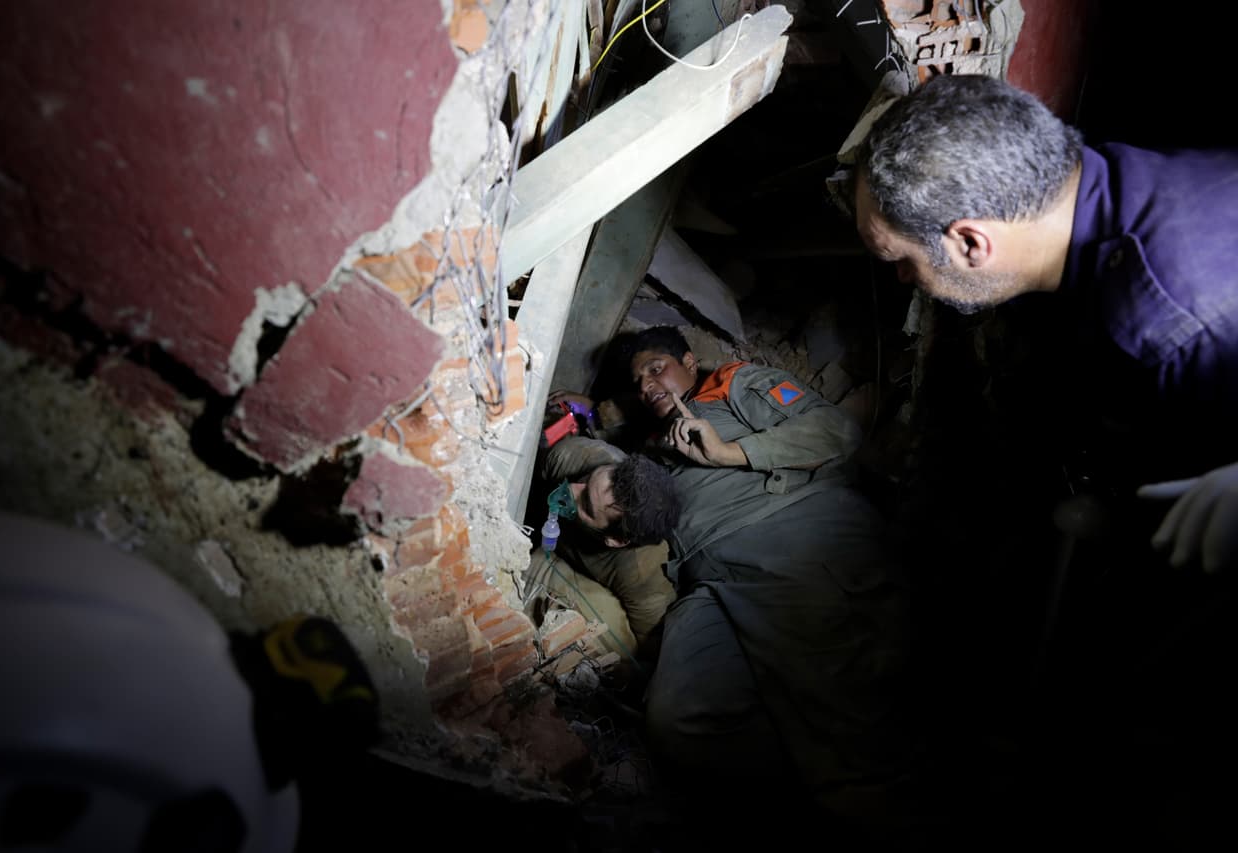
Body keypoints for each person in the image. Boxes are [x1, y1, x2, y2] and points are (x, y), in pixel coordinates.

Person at [853, 72, 1238, 574]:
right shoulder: (1106, 177)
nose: (904, 278)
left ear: (971, 243)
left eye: (902, 260)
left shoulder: (1173, 322)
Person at [575, 326, 916, 831]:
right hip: (711, 578)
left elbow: (837, 432)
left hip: (788, 533)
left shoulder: (733, 384)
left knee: (848, 714)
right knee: (678, 721)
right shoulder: (653, 443)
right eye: (638, 381)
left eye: (655, 369)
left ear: (690, 363)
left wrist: (728, 453)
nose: (647, 385)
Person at [529, 441, 680, 656]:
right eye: (586, 480)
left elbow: (652, 646)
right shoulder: (579, 456)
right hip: (540, 532)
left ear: (616, 540)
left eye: (585, 503)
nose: (571, 489)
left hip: (568, 570)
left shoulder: (641, 572)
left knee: (620, 647)